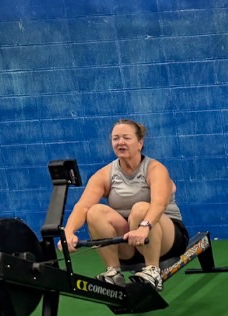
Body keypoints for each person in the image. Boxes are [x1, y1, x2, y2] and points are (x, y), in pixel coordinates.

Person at [62, 119, 189, 291]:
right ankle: (113, 273)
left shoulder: (155, 169)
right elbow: (83, 206)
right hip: (130, 242)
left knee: (140, 208)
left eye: (126, 138)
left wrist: (144, 227)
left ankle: (153, 271)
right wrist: (68, 232)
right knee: (94, 212)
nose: (120, 142)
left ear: (140, 143)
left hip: (166, 239)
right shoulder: (105, 174)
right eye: (116, 138)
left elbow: (159, 204)